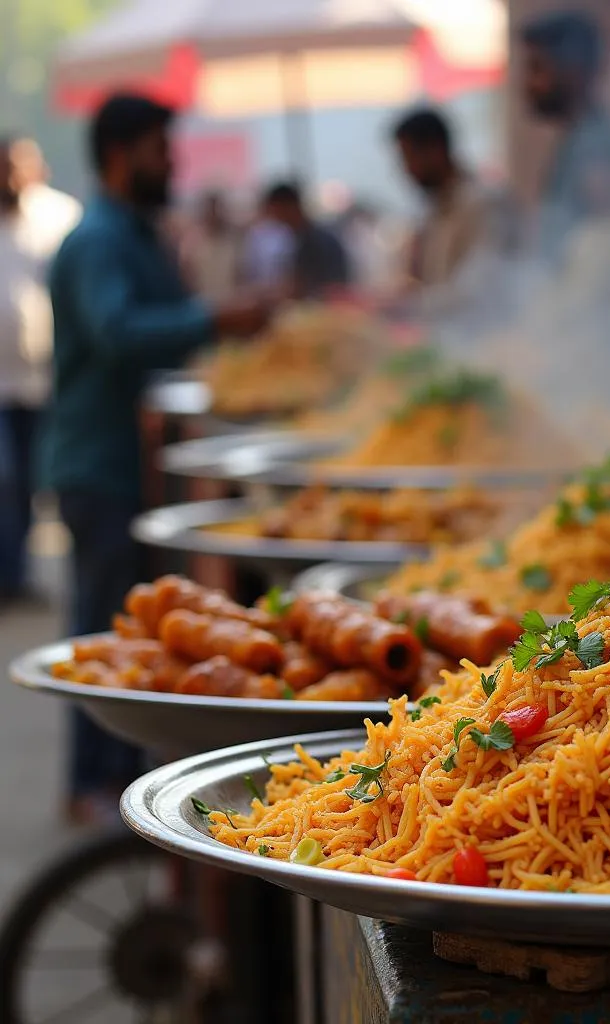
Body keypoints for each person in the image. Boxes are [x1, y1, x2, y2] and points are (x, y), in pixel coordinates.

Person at [41, 93, 270, 821]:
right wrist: (216, 315)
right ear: (120, 153)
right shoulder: (99, 240)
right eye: (159, 149)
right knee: (105, 632)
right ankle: (91, 788)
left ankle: (118, 778)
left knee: (132, 629)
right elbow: (117, 332)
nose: (171, 162)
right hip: (97, 464)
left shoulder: (137, 232)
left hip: (130, 462)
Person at [0, 137, 80, 604]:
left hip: (38, 377)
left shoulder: (55, 218)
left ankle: (15, 569)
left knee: (29, 478)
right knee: (5, 477)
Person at [520, 10, 610, 265]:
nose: (528, 84)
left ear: (574, 70)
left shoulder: (604, 151)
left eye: (538, 68)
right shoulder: (575, 144)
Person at [391, 106, 517, 314]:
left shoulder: (484, 204)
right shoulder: (434, 212)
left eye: (409, 157)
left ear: (436, 150)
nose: (407, 170)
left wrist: (408, 306)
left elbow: (478, 290)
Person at [261, 180, 351, 300]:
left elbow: (332, 288)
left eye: (275, 211)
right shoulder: (302, 238)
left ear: (288, 207)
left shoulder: (317, 241)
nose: (274, 217)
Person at [180, 190, 245, 304]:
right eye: (211, 210)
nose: (214, 214)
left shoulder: (232, 241)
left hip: (230, 303)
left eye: (217, 210)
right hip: (203, 306)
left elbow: (240, 274)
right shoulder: (192, 243)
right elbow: (187, 275)